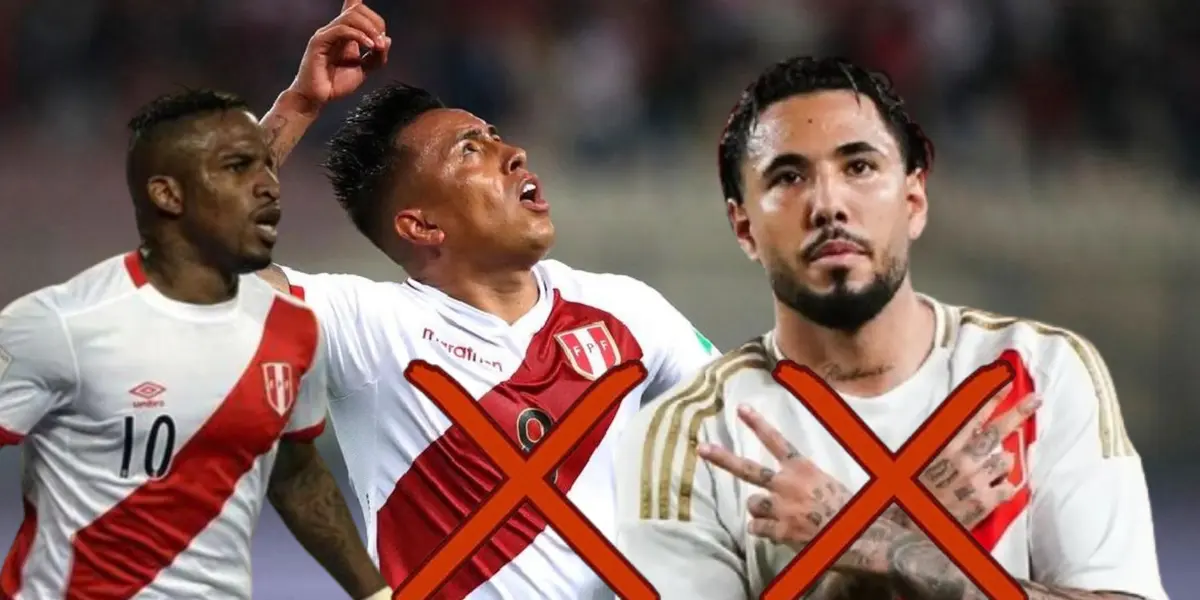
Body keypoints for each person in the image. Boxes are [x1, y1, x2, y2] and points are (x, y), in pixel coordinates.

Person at [613, 56, 1168, 600]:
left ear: (914, 199)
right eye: (789, 177)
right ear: (744, 229)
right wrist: (915, 522)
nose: (828, 204)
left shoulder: (1041, 372)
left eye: (858, 167)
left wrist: (862, 538)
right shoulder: (691, 435)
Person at [253, 3, 721, 598]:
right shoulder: (370, 329)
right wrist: (298, 105)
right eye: (470, 150)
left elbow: (752, 430)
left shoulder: (626, 311)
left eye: (496, 137)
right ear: (421, 226)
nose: (514, 153)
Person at [0, 89, 390, 600]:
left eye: (267, 167)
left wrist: (376, 594)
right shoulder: (60, 325)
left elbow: (296, 476)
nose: (270, 186)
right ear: (168, 195)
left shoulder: (292, 330)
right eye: (238, 167)